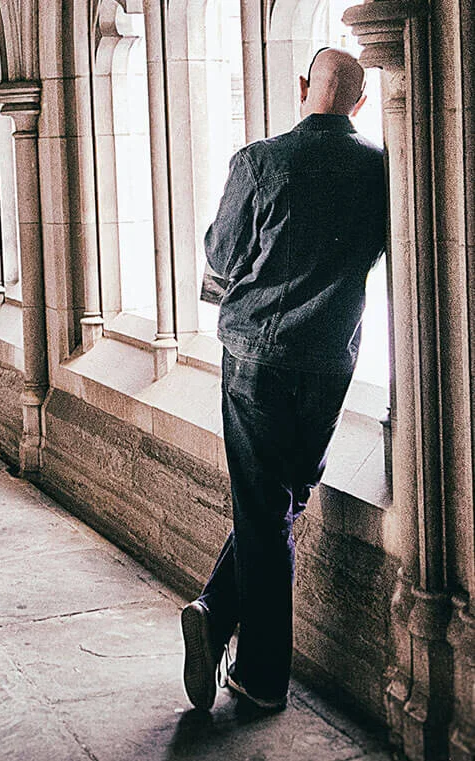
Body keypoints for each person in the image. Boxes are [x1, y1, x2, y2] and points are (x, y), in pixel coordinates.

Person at [180, 47, 387, 712]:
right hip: (329, 360)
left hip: (256, 355)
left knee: (263, 510)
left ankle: (260, 674)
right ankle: (215, 615)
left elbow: (221, 255)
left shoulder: (260, 161)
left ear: (303, 86)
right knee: (283, 500)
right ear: (360, 103)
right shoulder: (382, 169)